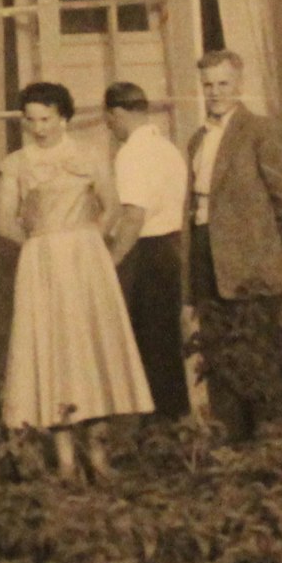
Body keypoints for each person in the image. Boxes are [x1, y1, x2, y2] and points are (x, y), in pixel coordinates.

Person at [0, 81, 154, 481]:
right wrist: (40, 245)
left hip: (86, 264)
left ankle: (98, 456)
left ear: (63, 118)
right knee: (53, 354)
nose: (39, 127)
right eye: (31, 120)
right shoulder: (16, 163)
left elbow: (112, 206)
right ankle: (65, 461)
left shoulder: (89, 155)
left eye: (46, 119)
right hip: (43, 266)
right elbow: (3, 221)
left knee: (89, 351)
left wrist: (89, 241)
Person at [185, 50, 282, 443]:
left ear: (238, 85)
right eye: (208, 85)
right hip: (207, 257)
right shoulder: (197, 140)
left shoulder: (260, 131)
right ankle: (231, 449)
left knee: (259, 362)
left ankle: (272, 453)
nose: (215, 93)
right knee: (219, 359)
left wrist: (267, 250)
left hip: (251, 264)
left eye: (223, 84)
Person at [101, 81, 192, 420]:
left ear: (119, 113)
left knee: (150, 344)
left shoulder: (132, 154)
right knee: (165, 342)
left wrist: (111, 262)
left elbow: (133, 217)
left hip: (148, 252)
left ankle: (161, 427)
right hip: (172, 247)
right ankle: (174, 423)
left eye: (109, 119)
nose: (109, 128)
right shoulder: (167, 147)